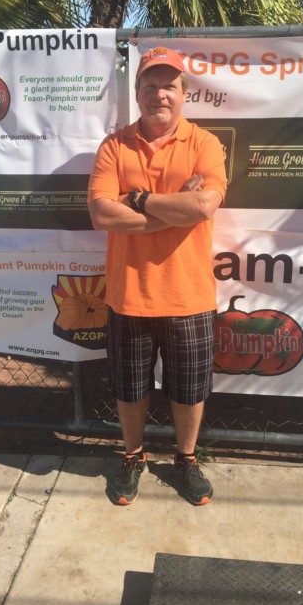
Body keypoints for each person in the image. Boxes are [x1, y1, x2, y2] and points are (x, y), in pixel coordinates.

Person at [87, 46, 227, 506]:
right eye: (150, 85)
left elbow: (203, 204)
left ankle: (186, 458)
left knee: (188, 392)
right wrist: (174, 210)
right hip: (128, 295)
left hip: (189, 296)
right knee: (130, 390)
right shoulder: (114, 146)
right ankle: (134, 456)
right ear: (137, 93)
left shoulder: (204, 144)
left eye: (169, 86)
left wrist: (139, 199)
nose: (159, 94)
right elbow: (100, 214)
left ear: (184, 94)